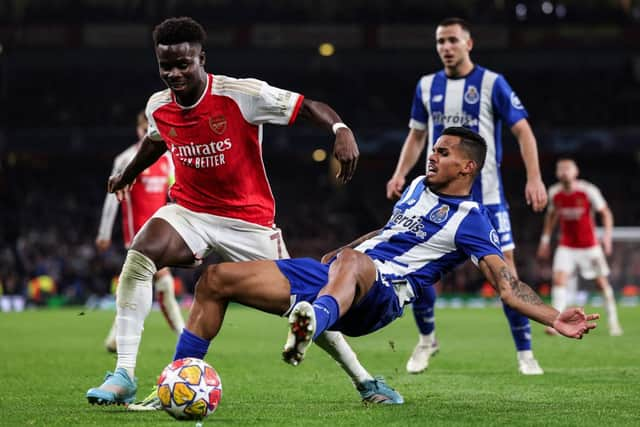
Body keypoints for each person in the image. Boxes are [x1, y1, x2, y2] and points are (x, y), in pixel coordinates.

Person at [86, 16, 402, 408]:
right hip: (190, 212)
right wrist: (127, 173)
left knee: (304, 306)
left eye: (183, 64)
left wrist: (340, 129)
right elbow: (157, 140)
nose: (173, 73)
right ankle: (124, 374)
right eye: (165, 66)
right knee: (140, 252)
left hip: (249, 223)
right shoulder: (159, 106)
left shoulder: (242, 94)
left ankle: (366, 381)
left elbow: (308, 107)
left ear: (202, 58)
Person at [170, 127, 598, 402]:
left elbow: (508, 285)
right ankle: (177, 379)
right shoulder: (415, 186)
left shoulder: (472, 220)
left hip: (382, 297)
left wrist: (555, 316)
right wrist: (340, 251)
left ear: (467, 166)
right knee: (214, 278)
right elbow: (386, 231)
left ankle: (311, 322)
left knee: (353, 263)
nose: (432, 156)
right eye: (433, 150)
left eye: (444, 152)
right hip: (343, 277)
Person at [385, 17, 548, 375]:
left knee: (507, 275)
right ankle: (427, 338)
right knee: (418, 270)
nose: (446, 47)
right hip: (437, 199)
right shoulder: (427, 86)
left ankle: (525, 352)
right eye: (441, 41)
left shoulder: (492, 83)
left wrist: (534, 177)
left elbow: (524, 132)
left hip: (487, 200)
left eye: (453, 40)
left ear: (468, 44)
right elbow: (416, 136)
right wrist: (400, 172)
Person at [96, 111, 184, 353]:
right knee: (159, 282)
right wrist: (104, 232)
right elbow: (112, 197)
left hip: (161, 231)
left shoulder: (167, 160)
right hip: (136, 233)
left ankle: (115, 337)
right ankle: (184, 335)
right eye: (144, 129)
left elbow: (176, 193)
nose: (148, 133)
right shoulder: (125, 159)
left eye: (152, 129)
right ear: (138, 130)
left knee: (142, 284)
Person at [537, 157, 622, 336]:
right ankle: (557, 324)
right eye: (560, 169)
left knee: (601, 283)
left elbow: (605, 213)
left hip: (589, 246)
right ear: (557, 173)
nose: (564, 172)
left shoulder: (588, 190)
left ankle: (614, 322)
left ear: (576, 172)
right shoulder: (554, 193)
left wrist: (607, 237)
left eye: (568, 168)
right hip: (566, 246)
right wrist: (545, 240)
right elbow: (551, 216)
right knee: (559, 281)